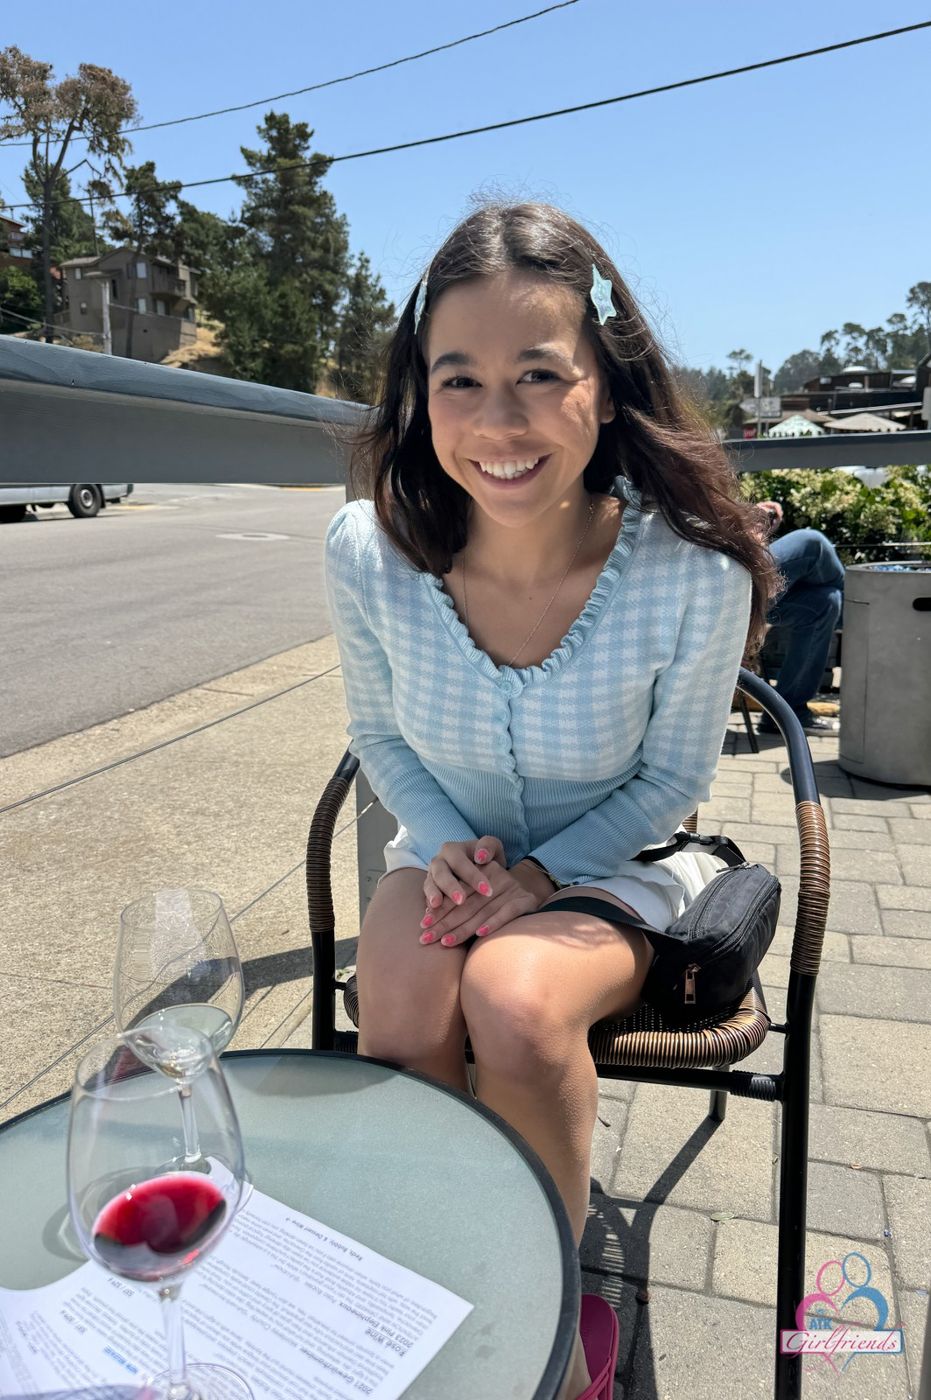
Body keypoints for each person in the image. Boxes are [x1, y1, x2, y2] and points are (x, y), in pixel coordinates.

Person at [324, 203, 777, 1400]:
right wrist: (455, 849)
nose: (498, 421)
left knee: (516, 998)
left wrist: (537, 877)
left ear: (606, 387)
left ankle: (547, 1315)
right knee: (403, 993)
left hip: (619, 862)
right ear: (419, 395)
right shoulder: (366, 551)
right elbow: (379, 733)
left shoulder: (691, 569)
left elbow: (669, 780)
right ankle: (434, 1274)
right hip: (446, 854)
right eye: (458, 379)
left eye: (539, 373)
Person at [753, 501, 845, 735]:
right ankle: (862, 613)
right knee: (812, 542)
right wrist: (753, 519)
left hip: (741, 584)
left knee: (826, 602)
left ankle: (785, 715)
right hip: (733, 579)